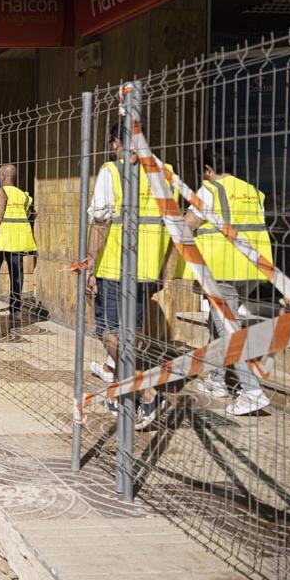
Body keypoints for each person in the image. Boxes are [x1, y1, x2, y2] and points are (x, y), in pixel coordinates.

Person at [79, 124, 172, 429]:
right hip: (145, 268)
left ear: (116, 142)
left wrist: (90, 264)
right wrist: (160, 267)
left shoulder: (112, 171)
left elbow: (102, 221)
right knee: (127, 333)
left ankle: (146, 392)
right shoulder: (162, 172)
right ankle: (120, 392)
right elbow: (171, 224)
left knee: (111, 333)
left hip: (115, 266)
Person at [182, 145, 273, 416]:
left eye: (205, 171)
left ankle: (252, 390)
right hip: (251, 267)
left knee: (228, 327)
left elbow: (188, 224)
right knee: (219, 321)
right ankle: (218, 380)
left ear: (209, 170)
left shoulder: (208, 190)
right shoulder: (252, 191)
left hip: (222, 267)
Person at [0, 164, 36, 325]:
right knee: (17, 277)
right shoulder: (24, 196)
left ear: (1, 176)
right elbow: (29, 212)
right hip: (17, 242)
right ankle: (15, 310)